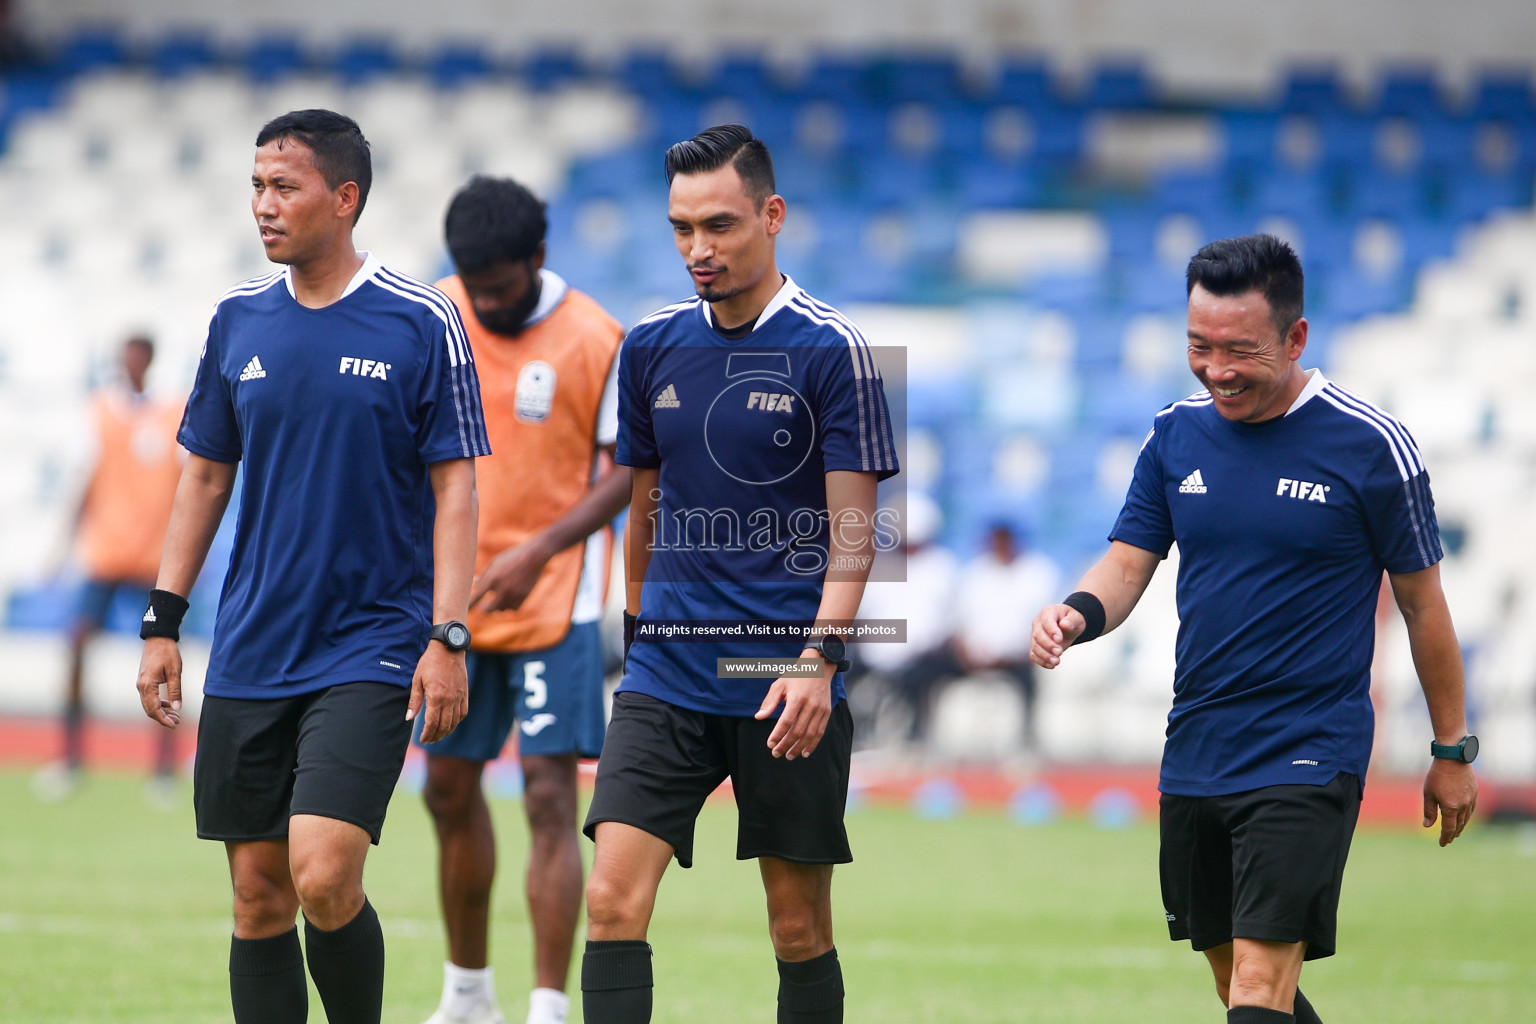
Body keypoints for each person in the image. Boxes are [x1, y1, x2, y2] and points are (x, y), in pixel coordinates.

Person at [1030, 234, 1478, 1024]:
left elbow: (1423, 605)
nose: (1217, 368)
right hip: (1199, 742)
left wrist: (1451, 750)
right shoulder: (1173, 434)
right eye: (1199, 346)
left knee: (1255, 993)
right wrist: (1077, 613)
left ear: (1295, 337)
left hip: (1309, 748)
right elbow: (1128, 565)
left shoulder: (1371, 445)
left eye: (1239, 349)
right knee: (1231, 975)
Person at [132, 108, 489, 1024]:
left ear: (345, 198)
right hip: (252, 646)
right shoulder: (237, 318)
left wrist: (448, 636)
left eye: (283, 186)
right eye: (256, 186)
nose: (263, 205)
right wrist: (162, 622)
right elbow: (205, 475)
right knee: (257, 896)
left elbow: (457, 493)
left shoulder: (422, 320)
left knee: (324, 875)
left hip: (369, 646)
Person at [578, 124, 898, 1024]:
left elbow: (856, 529)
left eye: (718, 226)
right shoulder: (649, 345)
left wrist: (821, 659)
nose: (697, 249)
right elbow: (642, 506)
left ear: (772, 215)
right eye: (681, 228)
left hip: (781, 681)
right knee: (609, 904)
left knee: (796, 926)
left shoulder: (833, 348)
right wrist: (640, 636)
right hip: (667, 676)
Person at [416, 175, 630, 1024]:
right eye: (475, 289)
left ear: (538, 259)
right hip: (453, 604)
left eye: (500, 289)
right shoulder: (434, 317)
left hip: (557, 605)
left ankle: (546, 1004)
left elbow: (624, 472)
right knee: (446, 790)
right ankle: (468, 994)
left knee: (548, 794)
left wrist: (541, 549)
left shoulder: (596, 337)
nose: (486, 305)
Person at [35, 334, 183, 803]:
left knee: (163, 655)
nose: (132, 364)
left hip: (153, 558)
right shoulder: (100, 411)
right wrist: (62, 546)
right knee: (77, 644)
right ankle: (71, 757)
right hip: (106, 553)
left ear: (150, 361)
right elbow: (83, 478)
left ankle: (163, 769)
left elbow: (192, 485)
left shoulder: (172, 412)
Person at [953, 522, 1060, 751]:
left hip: (1018, 658)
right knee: (925, 673)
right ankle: (921, 736)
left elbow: (1043, 624)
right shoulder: (975, 573)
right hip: (974, 659)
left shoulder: (1037, 572)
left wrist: (1009, 654)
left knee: (1029, 680)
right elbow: (958, 623)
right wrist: (968, 653)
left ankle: (1026, 739)